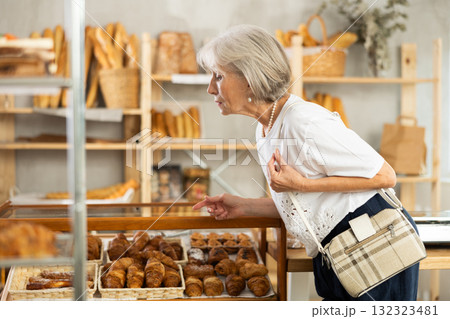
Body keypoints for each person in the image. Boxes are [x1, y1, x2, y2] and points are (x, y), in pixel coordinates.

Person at [192, 24, 419, 301]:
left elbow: (385, 175)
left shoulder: (303, 120)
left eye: (218, 76)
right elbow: (301, 201)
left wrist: (303, 184)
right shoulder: (264, 128)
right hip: (337, 255)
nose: (210, 88)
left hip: (374, 247)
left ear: (249, 77)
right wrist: (243, 205)